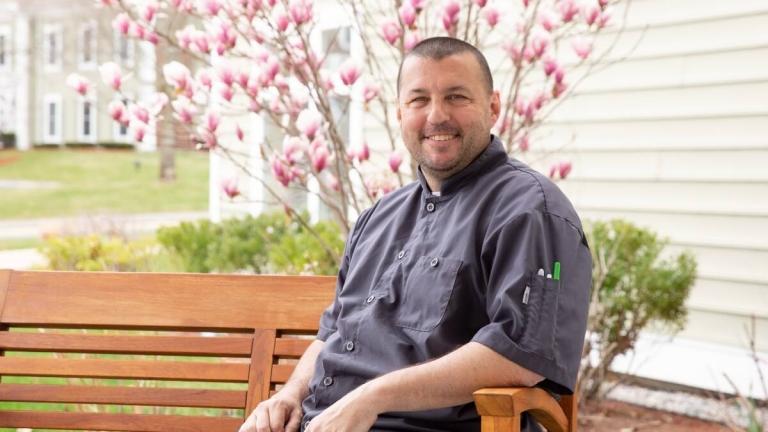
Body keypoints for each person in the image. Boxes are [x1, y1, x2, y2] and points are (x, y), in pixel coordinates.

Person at [239, 36, 591, 432]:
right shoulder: (378, 218)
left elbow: (519, 356)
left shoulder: (531, 210)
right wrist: (288, 397)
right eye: (419, 100)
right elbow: (333, 332)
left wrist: (372, 398)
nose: (436, 115)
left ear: (493, 107)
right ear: (400, 112)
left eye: (456, 97)